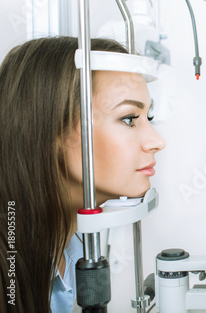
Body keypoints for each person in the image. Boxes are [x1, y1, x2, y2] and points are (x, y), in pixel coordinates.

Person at [0, 36, 165, 312]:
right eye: (129, 119)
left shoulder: (69, 251)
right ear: (52, 131)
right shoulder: (9, 269)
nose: (157, 141)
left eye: (147, 118)